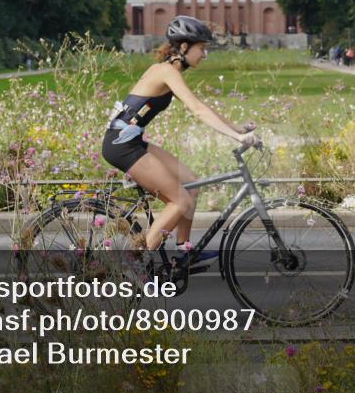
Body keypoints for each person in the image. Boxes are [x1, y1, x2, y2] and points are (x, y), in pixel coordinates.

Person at [101, 16, 257, 265]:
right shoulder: (166, 72)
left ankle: (184, 252)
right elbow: (197, 109)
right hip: (121, 146)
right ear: (183, 47)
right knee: (179, 200)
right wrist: (237, 136)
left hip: (130, 141)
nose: (205, 54)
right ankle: (136, 265)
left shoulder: (167, 70)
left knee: (192, 183)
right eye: (202, 48)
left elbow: (202, 107)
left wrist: (238, 127)